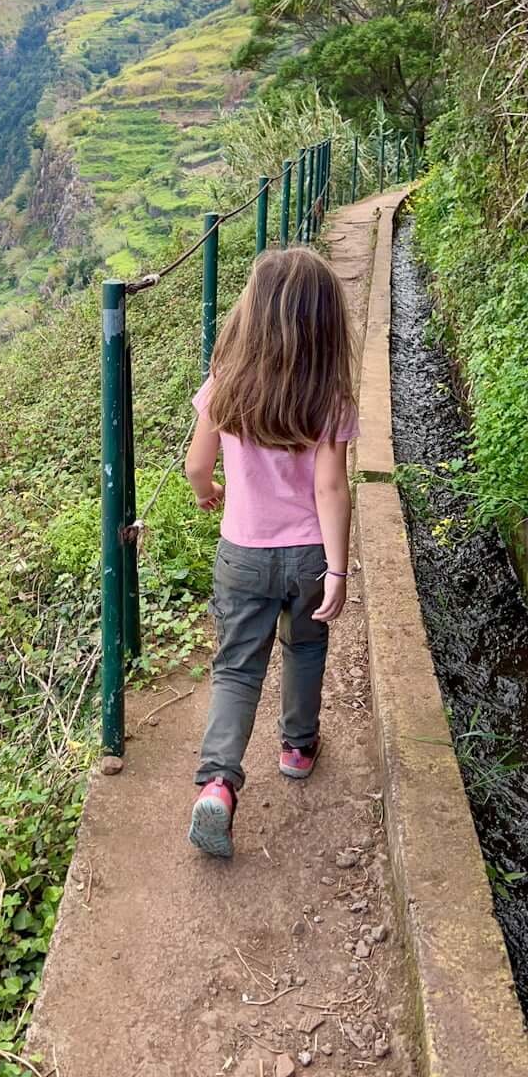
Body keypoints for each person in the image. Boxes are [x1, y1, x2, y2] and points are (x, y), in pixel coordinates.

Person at [184, 246, 358, 858]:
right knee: (305, 646)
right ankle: (297, 747)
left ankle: (217, 784)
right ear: (324, 323)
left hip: (243, 552)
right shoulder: (330, 395)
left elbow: (197, 465)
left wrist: (211, 492)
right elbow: (331, 487)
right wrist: (337, 567)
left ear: (250, 314)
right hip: (309, 552)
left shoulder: (225, 383)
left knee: (236, 667)